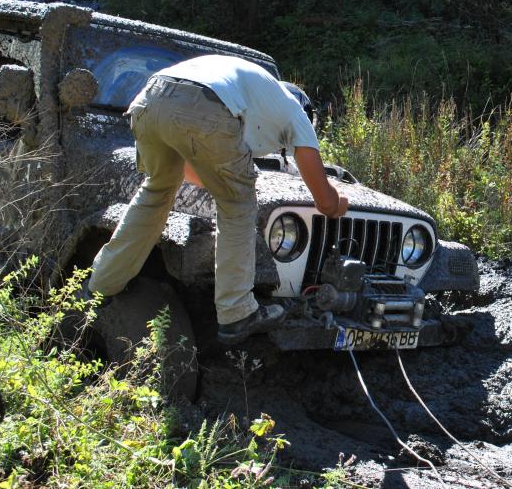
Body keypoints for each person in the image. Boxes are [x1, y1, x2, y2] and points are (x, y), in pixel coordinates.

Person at [85, 54, 348, 344]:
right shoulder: (294, 109)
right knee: (237, 205)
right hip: (202, 103)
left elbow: (191, 171)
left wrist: (222, 181)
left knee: (157, 191)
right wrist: (337, 204)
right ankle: (237, 312)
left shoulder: (254, 91)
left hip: (150, 99)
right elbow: (324, 200)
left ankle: (101, 283)